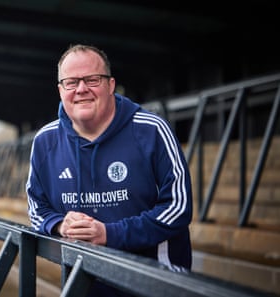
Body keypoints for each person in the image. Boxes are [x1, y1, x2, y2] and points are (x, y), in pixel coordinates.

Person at [26, 44, 192, 296]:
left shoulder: (152, 130)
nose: (81, 89)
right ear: (60, 90)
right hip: (83, 285)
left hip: (155, 283)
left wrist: (109, 234)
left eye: (92, 79)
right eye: (71, 82)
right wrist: (60, 224)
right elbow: (36, 206)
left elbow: (178, 208)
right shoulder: (45, 141)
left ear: (111, 85)